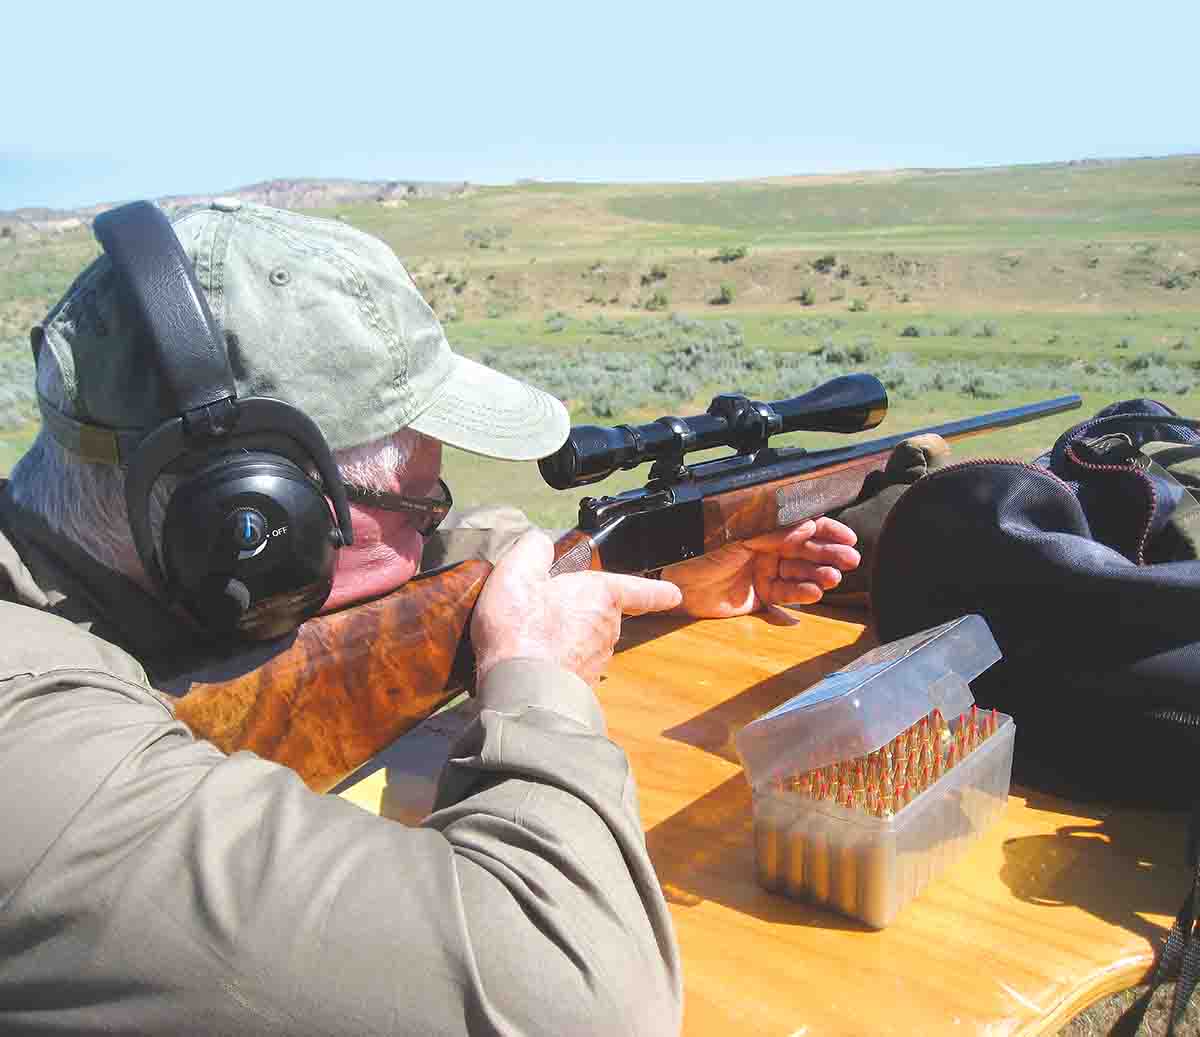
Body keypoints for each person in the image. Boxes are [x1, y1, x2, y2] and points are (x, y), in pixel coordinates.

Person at [0, 200, 860, 1035]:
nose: (427, 538)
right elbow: (579, 1001)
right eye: (416, 502)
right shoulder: (35, 755)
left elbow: (443, 563)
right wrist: (538, 689)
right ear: (250, 522)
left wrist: (659, 571)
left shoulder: (111, 580)